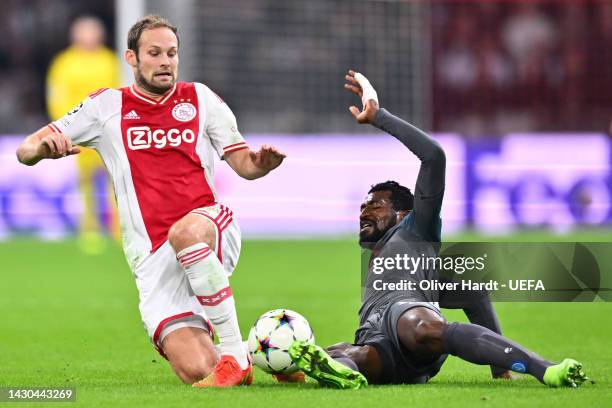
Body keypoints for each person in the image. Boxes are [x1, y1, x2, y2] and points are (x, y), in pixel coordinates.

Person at [16, 15, 286, 387]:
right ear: (131, 58)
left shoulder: (201, 99)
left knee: (186, 234)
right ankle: (279, 350)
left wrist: (261, 165)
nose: (165, 62)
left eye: (172, 54)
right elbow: (24, 149)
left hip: (208, 226)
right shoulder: (106, 107)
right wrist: (45, 149)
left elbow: (244, 166)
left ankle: (235, 357)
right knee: (198, 371)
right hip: (153, 261)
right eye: (155, 53)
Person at [288, 70, 587, 389]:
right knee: (346, 354)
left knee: (421, 326)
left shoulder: (416, 230)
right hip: (378, 343)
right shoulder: (391, 260)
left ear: (403, 214)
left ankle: (545, 369)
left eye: (375, 205)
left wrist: (380, 117)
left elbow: (434, 156)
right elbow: (473, 293)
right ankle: (332, 369)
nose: (364, 211)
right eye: (363, 206)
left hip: (410, 324)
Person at [46, 16, 121, 253]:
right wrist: (65, 128)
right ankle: (89, 230)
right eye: (84, 32)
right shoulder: (64, 63)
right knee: (85, 184)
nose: (88, 37)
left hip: (107, 131)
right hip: (77, 132)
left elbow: (119, 94)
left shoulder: (109, 61)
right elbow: (57, 95)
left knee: (117, 180)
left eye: (92, 32)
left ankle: (119, 229)